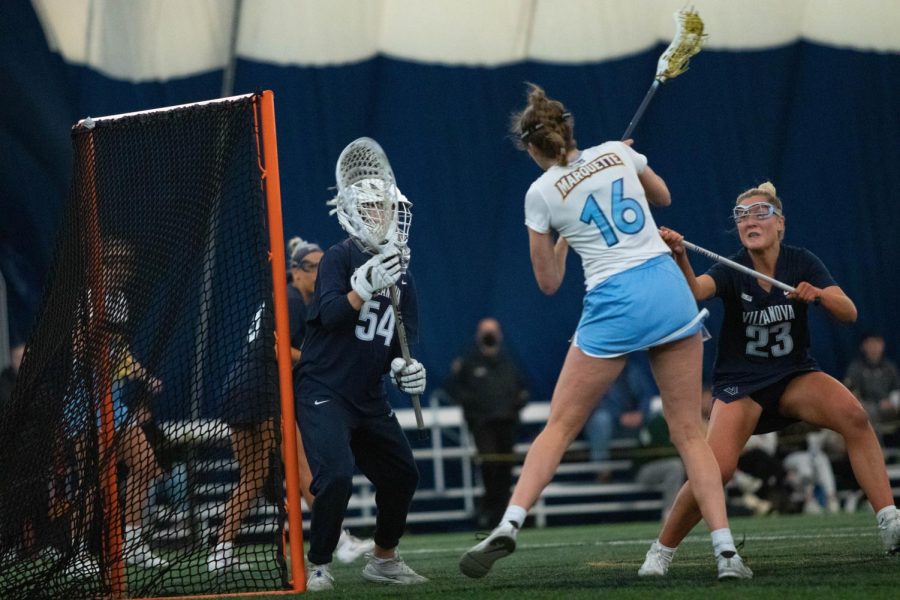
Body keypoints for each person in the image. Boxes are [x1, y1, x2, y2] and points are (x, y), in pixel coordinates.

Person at [459, 83, 750, 581]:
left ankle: (509, 522)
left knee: (560, 427)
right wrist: (629, 163)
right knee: (688, 433)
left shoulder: (541, 193)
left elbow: (548, 284)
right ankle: (726, 552)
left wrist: (563, 244)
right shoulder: (616, 151)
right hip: (666, 290)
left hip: (615, 301)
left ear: (533, 147)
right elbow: (663, 196)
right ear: (568, 130)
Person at [637, 182, 900, 578]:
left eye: (760, 212)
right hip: (741, 384)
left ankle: (889, 522)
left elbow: (849, 313)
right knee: (717, 470)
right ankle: (660, 551)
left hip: (793, 375)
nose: (749, 221)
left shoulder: (802, 262)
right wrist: (679, 257)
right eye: (742, 216)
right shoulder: (730, 269)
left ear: (780, 224)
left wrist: (819, 296)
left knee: (854, 416)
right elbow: (694, 293)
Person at [295, 174, 427, 591]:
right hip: (325, 388)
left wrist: (406, 369)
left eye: (387, 208)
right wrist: (363, 288)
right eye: (373, 207)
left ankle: (383, 559)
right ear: (354, 213)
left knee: (402, 474)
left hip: (368, 395)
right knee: (335, 476)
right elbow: (332, 315)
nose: (383, 215)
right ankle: (319, 563)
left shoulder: (403, 275)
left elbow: (395, 345)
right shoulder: (339, 256)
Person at [287, 236, 374, 564]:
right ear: (297, 272)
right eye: (314, 267)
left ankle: (221, 550)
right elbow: (277, 348)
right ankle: (338, 541)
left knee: (252, 480)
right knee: (308, 473)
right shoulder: (292, 301)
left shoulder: (309, 303)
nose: (322, 273)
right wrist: (319, 360)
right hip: (263, 394)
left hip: (270, 393)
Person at [445, 318, 530, 528]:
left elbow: (522, 389)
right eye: (485, 331)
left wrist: (514, 405)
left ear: (500, 335)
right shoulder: (468, 363)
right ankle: (490, 509)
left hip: (507, 422)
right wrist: (475, 408)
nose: (489, 335)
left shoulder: (509, 362)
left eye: (493, 331)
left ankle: (503, 510)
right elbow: (453, 388)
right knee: (490, 463)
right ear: (478, 335)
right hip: (483, 424)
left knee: (506, 467)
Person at [583, 352, 657, 478]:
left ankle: (652, 463)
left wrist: (641, 413)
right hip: (608, 427)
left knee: (656, 418)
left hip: (632, 425)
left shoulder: (633, 370)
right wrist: (619, 416)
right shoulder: (595, 372)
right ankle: (602, 470)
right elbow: (592, 401)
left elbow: (647, 395)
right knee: (601, 419)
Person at [844, 332, 900, 447]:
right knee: (869, 412)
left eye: (877, 342)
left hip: (889, 408)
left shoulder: (890, 367)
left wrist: (892, 401)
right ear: (863, 346)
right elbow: (850, 392)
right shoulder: (856, 369)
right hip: (867, 408)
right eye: (870, 343)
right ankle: (877, 452)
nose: (874, 346)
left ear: (882, 345)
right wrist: (862, 403)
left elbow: (896, 389)